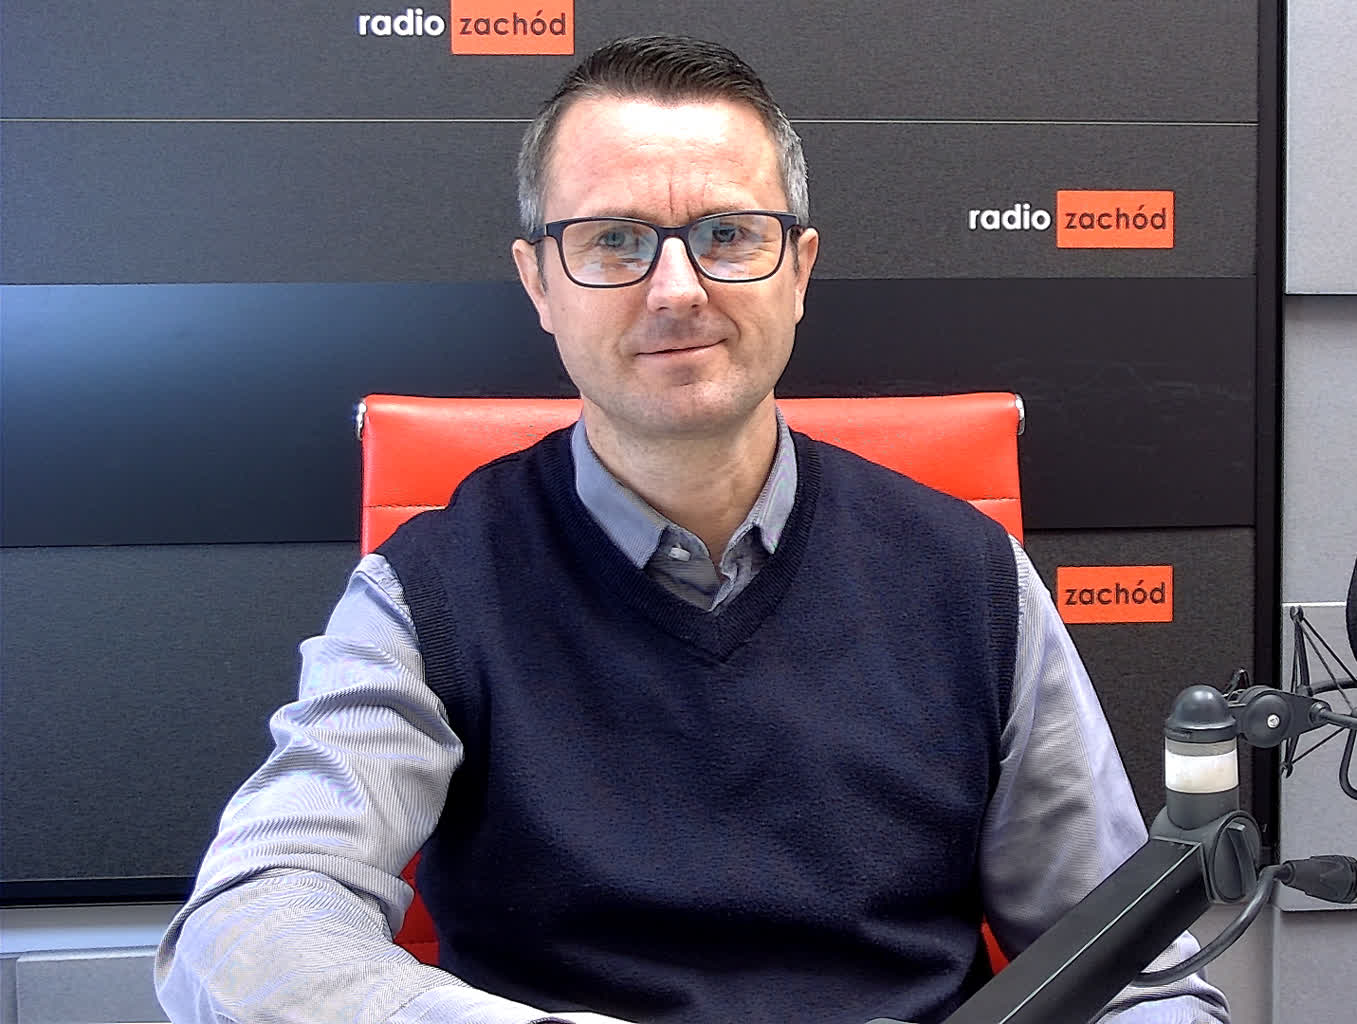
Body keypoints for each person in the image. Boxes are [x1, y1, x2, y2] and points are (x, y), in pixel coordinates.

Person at [156, 34, 1231, 1024]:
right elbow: (249, 919)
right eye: (613, 240)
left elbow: (1134, 972)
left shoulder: (970, 578)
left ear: (799, 269)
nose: (677, 289)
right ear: (539, 283)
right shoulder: (427, 592)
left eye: (727, 234)